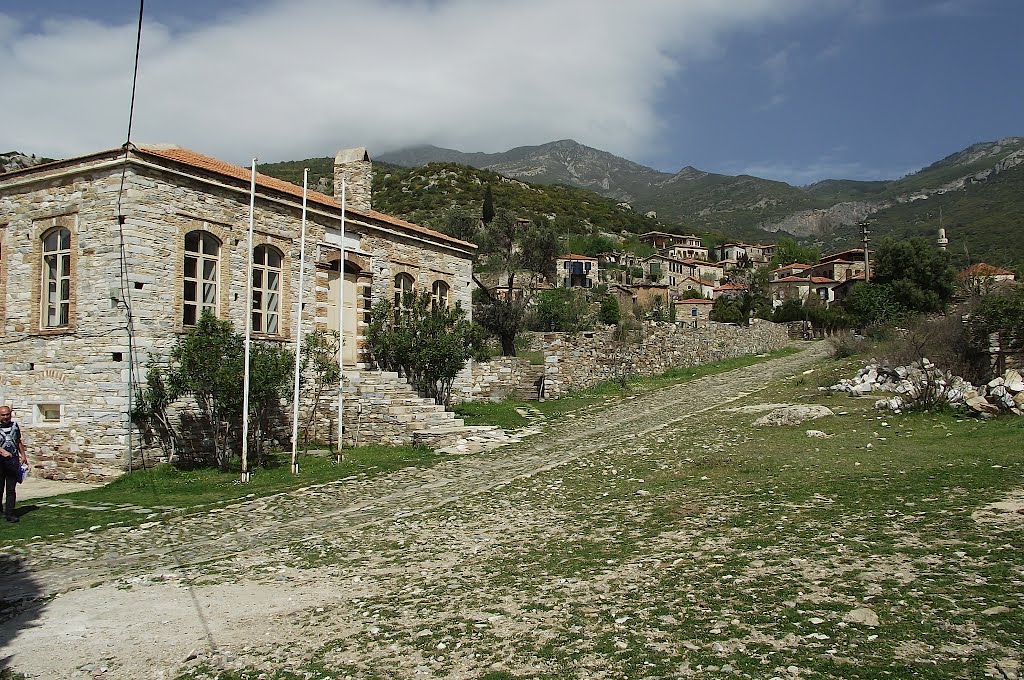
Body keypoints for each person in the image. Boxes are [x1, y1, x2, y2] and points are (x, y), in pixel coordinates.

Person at [0, 406, 28, 523]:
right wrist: (2, 451)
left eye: (7, 414)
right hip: (0, 462)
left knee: (11, 489)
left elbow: (18, 441)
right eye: (3, 415)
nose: (5, 417)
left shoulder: (15, 426)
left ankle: (10, 513)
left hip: (12, 462)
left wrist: (23, 455)